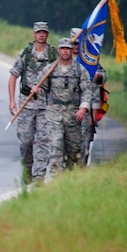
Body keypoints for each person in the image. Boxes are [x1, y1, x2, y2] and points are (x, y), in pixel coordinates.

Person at [32, 37, 92, 180]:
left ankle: (70, 179)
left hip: (73, 114)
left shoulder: (79, 70)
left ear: (72, 50)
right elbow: (41, 89)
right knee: (56, 147)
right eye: (63, 49)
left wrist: (84, 107)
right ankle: (56, 180)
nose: (65, 51)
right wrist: (35, 90)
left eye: (68, 49)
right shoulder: (49, 69)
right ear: (59, 50)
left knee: (73, 151)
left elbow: (87, 91)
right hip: (54, 112)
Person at [8, 22, 57, 183]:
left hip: (46, 106)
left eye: (44, 32)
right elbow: (13, 76)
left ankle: (39, 176)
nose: (41, 35)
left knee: (44, 141)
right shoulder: (26, 53)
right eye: (38, 32)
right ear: (34, 34)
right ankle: (28, 167)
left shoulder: (53, 55)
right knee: (25, 141)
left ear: (47, 34)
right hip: (26, 105)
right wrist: (12, 101)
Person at [71, 27, 107, 166]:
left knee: (84, 142)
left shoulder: (90, 60)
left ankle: (81, 170)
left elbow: (103, 78)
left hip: (86, 109)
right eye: (74, 43)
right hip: (67, 108)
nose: (75, 47)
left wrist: (99, 76)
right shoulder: (63, 58)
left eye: (78, 43)